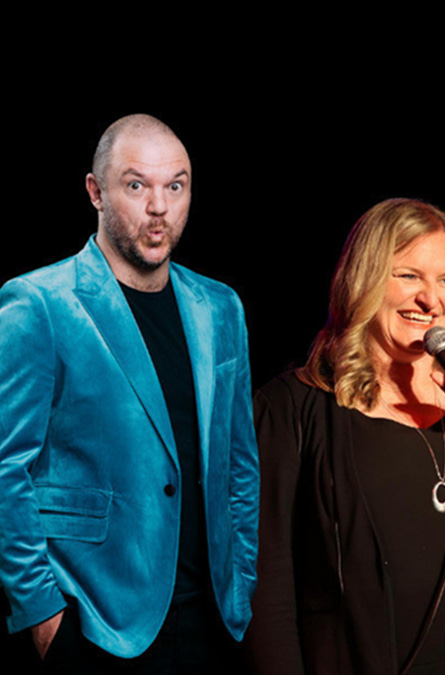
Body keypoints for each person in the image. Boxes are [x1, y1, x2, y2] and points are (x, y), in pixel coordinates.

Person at [247, 198, 445, 674]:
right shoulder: (294, 407)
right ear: (364, 279)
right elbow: (266, 584)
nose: (430, 300)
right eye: (409, 276)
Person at [0, 114, 258, 672]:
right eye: (137, 185)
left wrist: (241, 582)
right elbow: (5, 469)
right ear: (96, 192)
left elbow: (239, 465)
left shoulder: (221, 307)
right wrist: (43, 616)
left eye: (176, 186)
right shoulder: (39, 303)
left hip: (213, 618)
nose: (159, 207)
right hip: (96, 622)